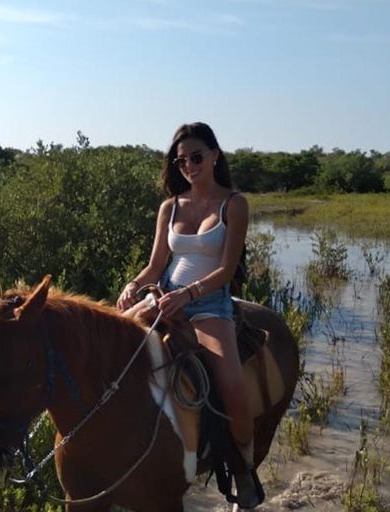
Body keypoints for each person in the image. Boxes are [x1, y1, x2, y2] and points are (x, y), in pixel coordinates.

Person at [116, 122, 261, 508]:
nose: (189, 166)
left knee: (231, 384)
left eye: (196, 157)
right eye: (181, 161)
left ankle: (244, 466)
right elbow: (155, 266)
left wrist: (190, 294)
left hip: (209, 306)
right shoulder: (170, 206)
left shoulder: (234, 204)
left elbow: (227, 270)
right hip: (164, 299)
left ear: (215, 155)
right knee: (113, 352)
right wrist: (133, 285)